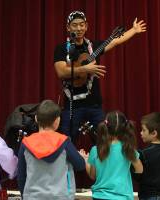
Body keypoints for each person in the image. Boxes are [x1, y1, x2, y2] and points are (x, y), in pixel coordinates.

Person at [54, 10, 147, 141]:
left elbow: (115, 41)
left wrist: (133, 30)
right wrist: (85, 68)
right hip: (71, 106)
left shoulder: (93, 47)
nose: (79, 28)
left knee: (104, 142)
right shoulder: (62, 49)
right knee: (66, 144)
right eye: (75, 25)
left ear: (86, 26)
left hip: (94, 105)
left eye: (82, 25)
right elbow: (61, 71)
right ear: (68, 27)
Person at [17, 99, 86, 200]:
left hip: (32, 196)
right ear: (57, 120)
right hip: (61, 197)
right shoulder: (64, 142)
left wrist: (25, 195)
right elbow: (80, 165)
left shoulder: (25, 143)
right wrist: (82, 158)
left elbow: (21, 176)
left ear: (36, 119)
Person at [79, 111, 143, 200]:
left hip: (100, 196)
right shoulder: (128, 149)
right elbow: (139, 170)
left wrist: (85, 160)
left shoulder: (96, 149)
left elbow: (93, 175)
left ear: (106, 126)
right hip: (123, 196)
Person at [133, 112, 160, 200]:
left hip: (146, 196)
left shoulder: (143, 153)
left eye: (143, 130)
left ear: (154, 133)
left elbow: (138, 177)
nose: (141, 133)